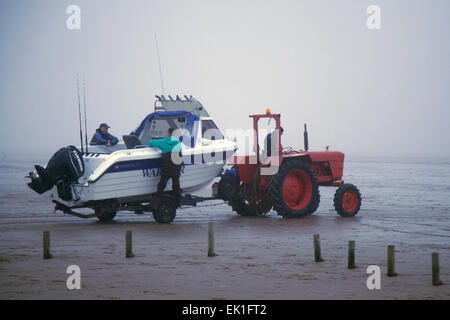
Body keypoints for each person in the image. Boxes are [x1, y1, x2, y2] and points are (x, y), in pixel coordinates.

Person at [149, 127, 183, 202]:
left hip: (167, 167)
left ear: (168, 133)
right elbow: (180, 154)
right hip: (176, 167)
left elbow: (151, 143)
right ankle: (178, 200)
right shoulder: (178, 143)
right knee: (176, 183)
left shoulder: (163, 142)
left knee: (162, 184)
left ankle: (159, 198)